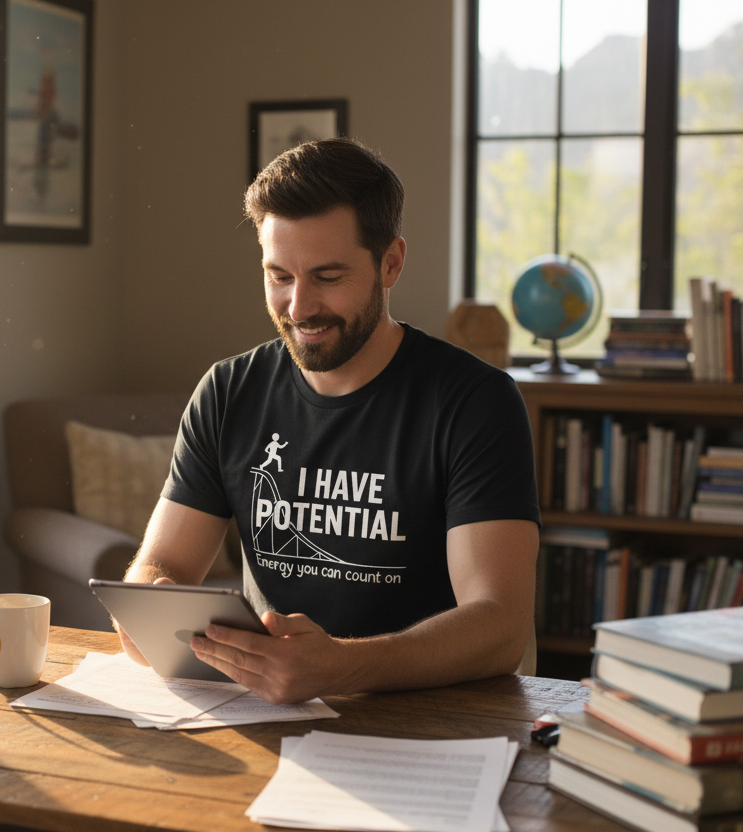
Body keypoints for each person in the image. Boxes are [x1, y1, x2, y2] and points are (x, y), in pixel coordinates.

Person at [117, 138, 541, 704]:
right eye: (279, 276)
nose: (298, 307)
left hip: (433, 721)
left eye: (328, 277)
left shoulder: (475, 403)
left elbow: (499, 626)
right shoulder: (227, 392)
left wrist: (345, 667)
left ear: (391, 263)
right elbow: (163, 563)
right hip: (266, 714)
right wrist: (145, 603)